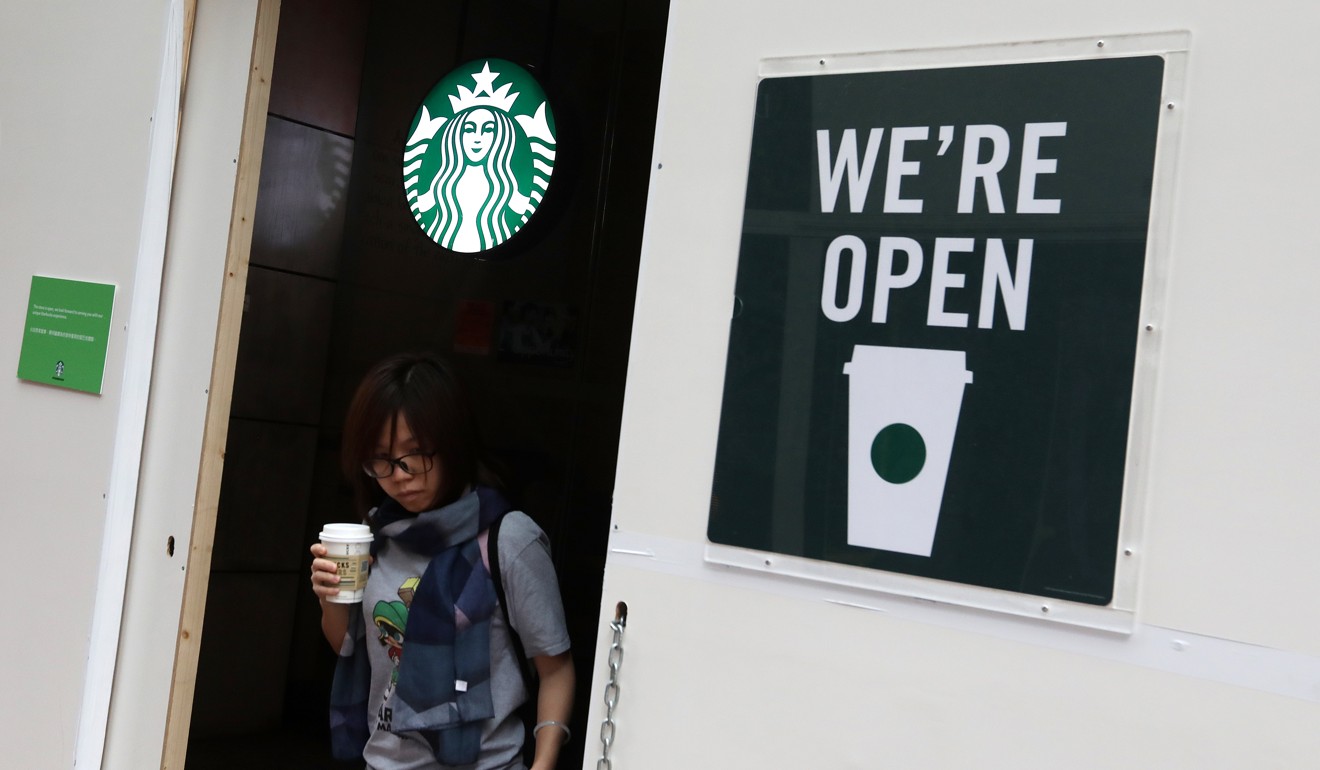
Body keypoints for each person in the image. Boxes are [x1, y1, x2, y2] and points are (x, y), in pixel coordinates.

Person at [309, 353, 573, 769]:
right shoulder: (375, 534)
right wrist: (329, 599)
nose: (399, 475)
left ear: (452, 443)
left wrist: (543, 763)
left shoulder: (508, 540)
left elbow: (555, 669)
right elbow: (348, 645)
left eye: (415, 455)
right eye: (381, 459)